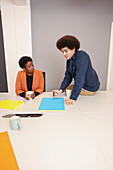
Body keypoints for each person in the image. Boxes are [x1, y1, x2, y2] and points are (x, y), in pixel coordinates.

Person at [53, 35, 100, 105]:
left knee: (68, 91)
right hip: (82, 85)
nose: (64, 54)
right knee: (65, 90)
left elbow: (79, 78)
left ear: (73, 48)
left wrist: (73, 98)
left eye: (66, 51)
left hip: (90, 88)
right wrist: (60, 90)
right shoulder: (69, 60)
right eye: (62, 51)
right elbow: (67, 77)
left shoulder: (82, 56)